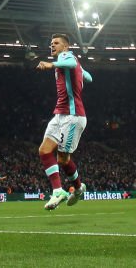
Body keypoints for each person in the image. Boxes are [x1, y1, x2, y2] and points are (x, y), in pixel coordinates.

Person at [36, 33, 92, 210]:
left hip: (73, 117)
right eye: (51, 43)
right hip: (59, 115)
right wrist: (81, 73)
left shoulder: (66, 56)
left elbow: (71, 63)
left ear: (66, 47)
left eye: (56, 43)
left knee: (62, 158)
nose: (52, 45)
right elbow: (89, 77)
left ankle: (77, 188)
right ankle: (60, 190)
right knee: (44, 151)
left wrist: (50, 64)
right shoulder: (67, 60)